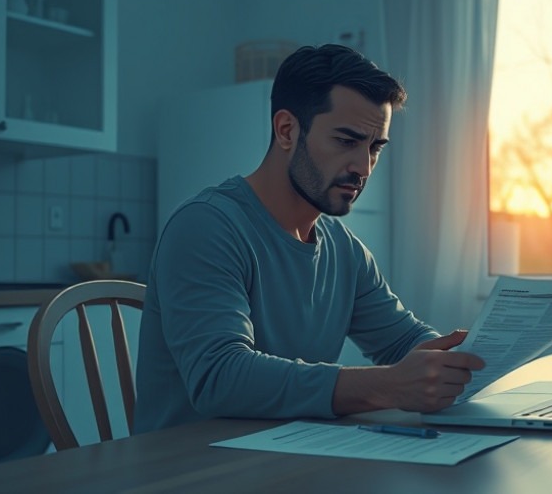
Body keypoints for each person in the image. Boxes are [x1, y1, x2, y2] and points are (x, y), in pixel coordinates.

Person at [133, 44, 485, 433]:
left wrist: (463, 360)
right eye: (346, 141)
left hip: (288, 457)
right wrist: (388, 385)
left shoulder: (345, 250)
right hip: (188, 470)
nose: (363, 167)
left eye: (374, 147)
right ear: (287, 130)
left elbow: (405, 341)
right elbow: (220, 378)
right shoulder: (205, 226)